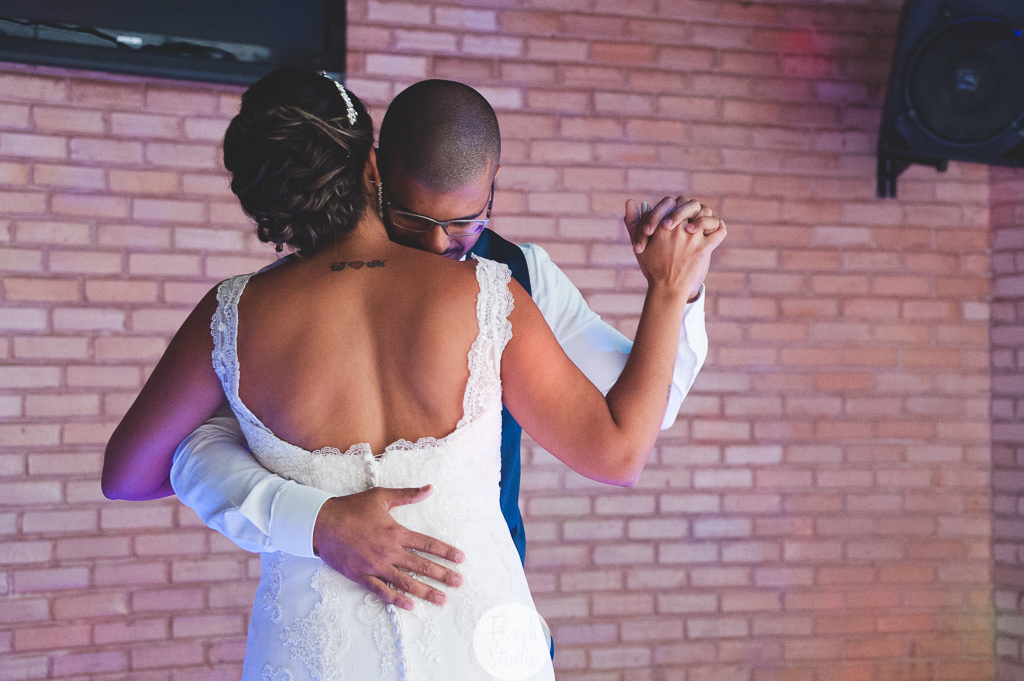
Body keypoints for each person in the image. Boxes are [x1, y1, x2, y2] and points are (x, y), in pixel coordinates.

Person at [102, 69, 724, 679]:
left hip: (324, 653)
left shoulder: (233, 317)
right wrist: (668, 289)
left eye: (461, 224)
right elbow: (619, 450)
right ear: (373, 168)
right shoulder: (488, 296)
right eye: (418, 217)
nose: (437, 244)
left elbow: (130, 474)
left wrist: (278, 499)